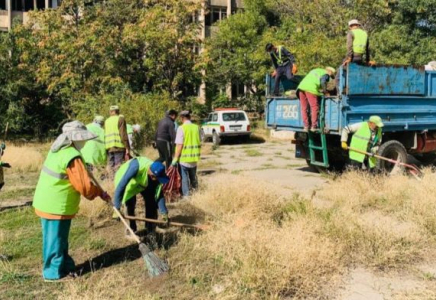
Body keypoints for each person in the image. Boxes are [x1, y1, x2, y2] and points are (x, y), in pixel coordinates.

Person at [32, 121, 111, 282]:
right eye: (83, 138)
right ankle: (52, 274)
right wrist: (99, 192)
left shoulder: (59, 150)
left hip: (48, 202)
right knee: (55, 240)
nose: (85, 141)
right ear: (75, 138)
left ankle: (65, 266)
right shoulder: (71, 155)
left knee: (58, 239)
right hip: (55, 205)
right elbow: (85, 188)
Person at [113, 158, 169, 236]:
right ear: (152, 175)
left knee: (151, 200)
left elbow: (159, 193)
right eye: (156, 178)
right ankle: (131, 230)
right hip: (126, 183)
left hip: (141, 182)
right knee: (130, 204)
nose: (156, 180)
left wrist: (164, 212)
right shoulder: (135, 167)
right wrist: (116, 208)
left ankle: (151, 227)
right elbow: (121, 187)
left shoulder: (156, 170)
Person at [172, 110, 201, 198]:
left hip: (184, 158)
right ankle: (196, 193)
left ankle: (187, 196)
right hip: (194, 157)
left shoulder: (181, 128)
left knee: (184, 178)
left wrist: (175, 158)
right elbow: (200, 139)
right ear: (190, 117)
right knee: (193, 177)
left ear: (181, 118)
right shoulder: (196, 127)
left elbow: (179, 145)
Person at [297, 67, 336, 132]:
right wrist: (325, 92)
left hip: (301, 87)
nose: (329, 78)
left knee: (304, 108)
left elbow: (313, 80)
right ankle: (313, 127)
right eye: (330, 76)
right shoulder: (326, 74)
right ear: (330, 72)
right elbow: (323, 82)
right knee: (314, 107)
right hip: (310, 89)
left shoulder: (316, 70)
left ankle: (306, 126)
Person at [104, 105, 130, 175]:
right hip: (119, 146)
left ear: (110, 112)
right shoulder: (120, 119)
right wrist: (127, 147)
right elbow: (123, 134)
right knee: (118, 167)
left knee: (111, 167)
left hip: (109, 147)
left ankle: (111, 182)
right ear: (118, 111)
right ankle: (117, 182)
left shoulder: (106, 121)